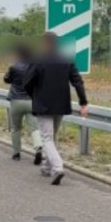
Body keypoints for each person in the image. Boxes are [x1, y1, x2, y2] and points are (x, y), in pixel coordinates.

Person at [24, 32, 89, 185]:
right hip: (61, 105)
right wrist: (83, 102)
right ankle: (47, 168)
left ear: (44, 44)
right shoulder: (67, 60)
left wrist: (35, 95)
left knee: (46, 138)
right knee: (51, 138)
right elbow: (77, 82)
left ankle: (57, 167)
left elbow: (26, 82)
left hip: (43, 105)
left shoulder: (37, 60)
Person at [4, 42, 42, 162]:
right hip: (31, 101)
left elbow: (7, 79)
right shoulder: (34, 67)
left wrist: (10, 68)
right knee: (34, 127)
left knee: (16, 128)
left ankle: (16, 153)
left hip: (16, 101)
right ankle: (38, 147)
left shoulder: (14, 67)